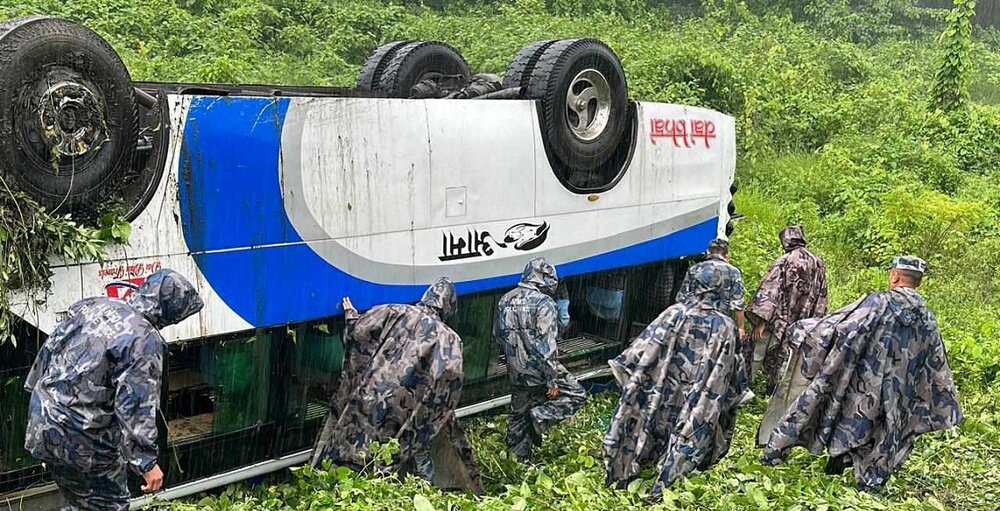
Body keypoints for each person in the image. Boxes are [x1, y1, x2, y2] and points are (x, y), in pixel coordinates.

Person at [759, 256, 962, 492]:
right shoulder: (927, 317)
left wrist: (804, 330)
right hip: (899, 390)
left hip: (863, 382)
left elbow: (843, 326)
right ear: (920, 283)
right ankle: (868, 482)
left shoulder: (878, 302)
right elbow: (935, 359)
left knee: (823, 407)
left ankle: (775, 453)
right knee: (884, 429)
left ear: (894, 276)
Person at [24, 269, 204, 511]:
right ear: (170, 309)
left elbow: (51, 347)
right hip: (83, 440)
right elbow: (135, 406)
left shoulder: (94, 305)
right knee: (109, 505)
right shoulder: (143, 339)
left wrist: (38, 396)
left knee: (79, 502)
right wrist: (146, 463)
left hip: (43, 422)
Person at [311, 278, 482, 494]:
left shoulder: (396, 311)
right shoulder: (450, 339)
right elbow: (450, 377)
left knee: (360, 443)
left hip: (374, 396)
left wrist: (351, 316)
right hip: (410, 409)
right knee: (411, 449)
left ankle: (345, 487)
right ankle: (416, 493)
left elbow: (360, 333)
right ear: (448, 307)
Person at [603, 256, 748, 496]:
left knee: (656, 419)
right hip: (697, 396)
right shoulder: (724, 327)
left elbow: (638, 352)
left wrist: (637, 381)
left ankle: (632, 468)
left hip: (664, 389)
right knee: (688, 428)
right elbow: (731, 373)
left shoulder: (673, 313)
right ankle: (667, 483)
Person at [494, 257, 587, 462]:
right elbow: (547, 344)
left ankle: (516, 462)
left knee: (518, 415)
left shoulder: (505, 299)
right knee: (577, 394)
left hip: (515, 368)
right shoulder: (544, 303)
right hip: (539, 368)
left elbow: (498, 335)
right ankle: (541, 416)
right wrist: (552, 378)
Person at [746, 225, 828, 393]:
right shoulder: (818, 263)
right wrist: (818, 322)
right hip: (804, 324)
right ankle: (776, 393)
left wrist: (760, 321)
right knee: (789, 359)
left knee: (756, 352)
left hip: (778, 320)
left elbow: (769, 291)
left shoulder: (785, 260)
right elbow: (822, 296)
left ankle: (744, 389)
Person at [678, 238, 746, 340]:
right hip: (718, 325)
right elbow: (738, 304)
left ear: (708, 252)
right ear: (727, 255)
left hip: (692, 320)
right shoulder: (733, 272)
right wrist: (741, 328)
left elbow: (682, 298)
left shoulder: (695, 269)